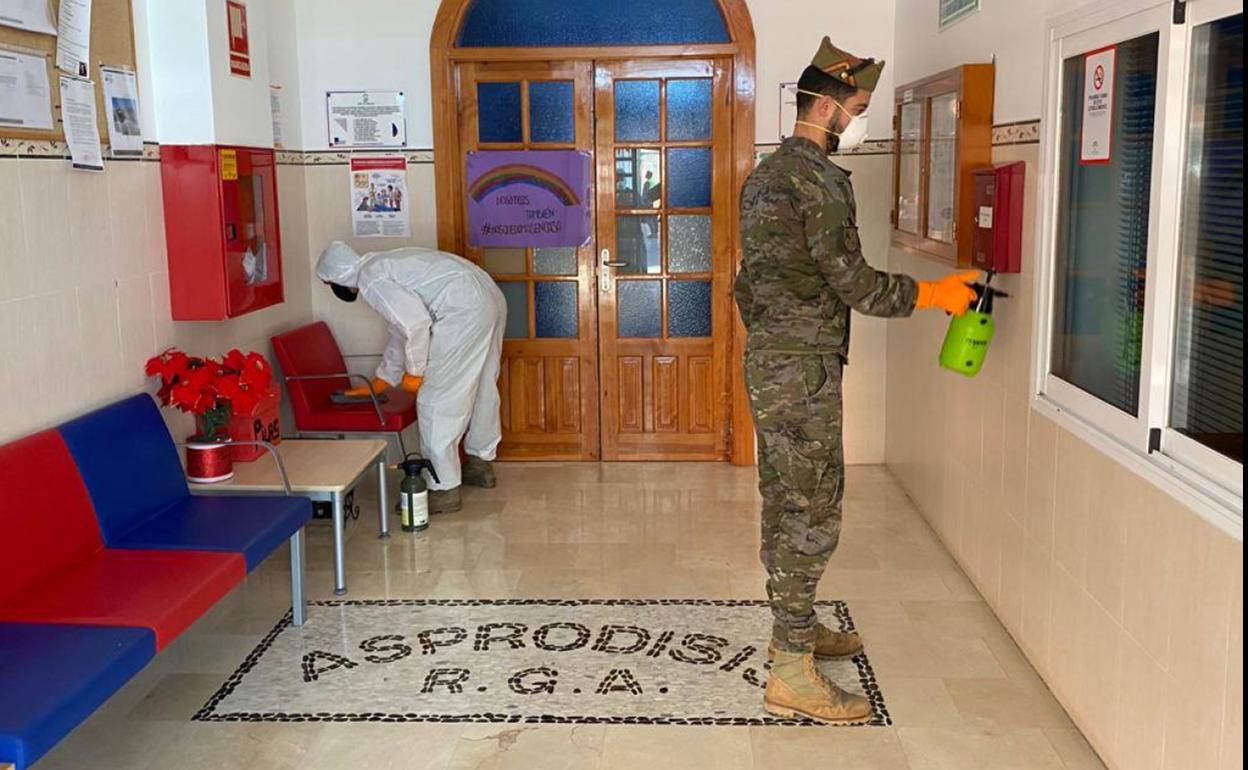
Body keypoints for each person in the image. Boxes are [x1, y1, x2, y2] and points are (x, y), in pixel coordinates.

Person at [736, 37, 980, 725]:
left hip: (774, 361)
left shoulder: (766, 174)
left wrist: (780, 334)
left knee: (786, 499)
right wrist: (935, 295)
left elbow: (747, 284)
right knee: (811, 509)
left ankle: (796, 626)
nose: (861, 120)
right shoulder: (816, 180)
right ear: (826, 105)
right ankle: (791, 671)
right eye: (859, 107)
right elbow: (857, 285)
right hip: (804, 370)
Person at [316, 242, 507, 514]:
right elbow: (401, 330)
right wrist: (383, 378)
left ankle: (443, 487)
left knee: (435, 400)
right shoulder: (381, 262)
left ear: (334, 279)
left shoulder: (371, 278)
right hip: (489, 297)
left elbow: (415, 324)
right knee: (483, 386)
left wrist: (415, 372)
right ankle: (480, 462)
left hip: (462, 310)